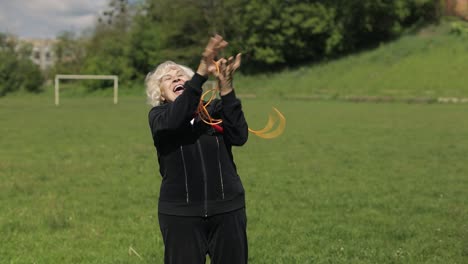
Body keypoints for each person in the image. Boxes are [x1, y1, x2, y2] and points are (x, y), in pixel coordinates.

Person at [145, 35, 248, 264]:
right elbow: (176, 118)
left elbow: (240, 136)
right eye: (167, 79)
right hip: (180, 216)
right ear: (161, 93)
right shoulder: (159, 118)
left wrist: (226, 87)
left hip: (228, 210)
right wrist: (201, 72)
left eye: (180, 75)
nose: (175, 78)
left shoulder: (215, 111)